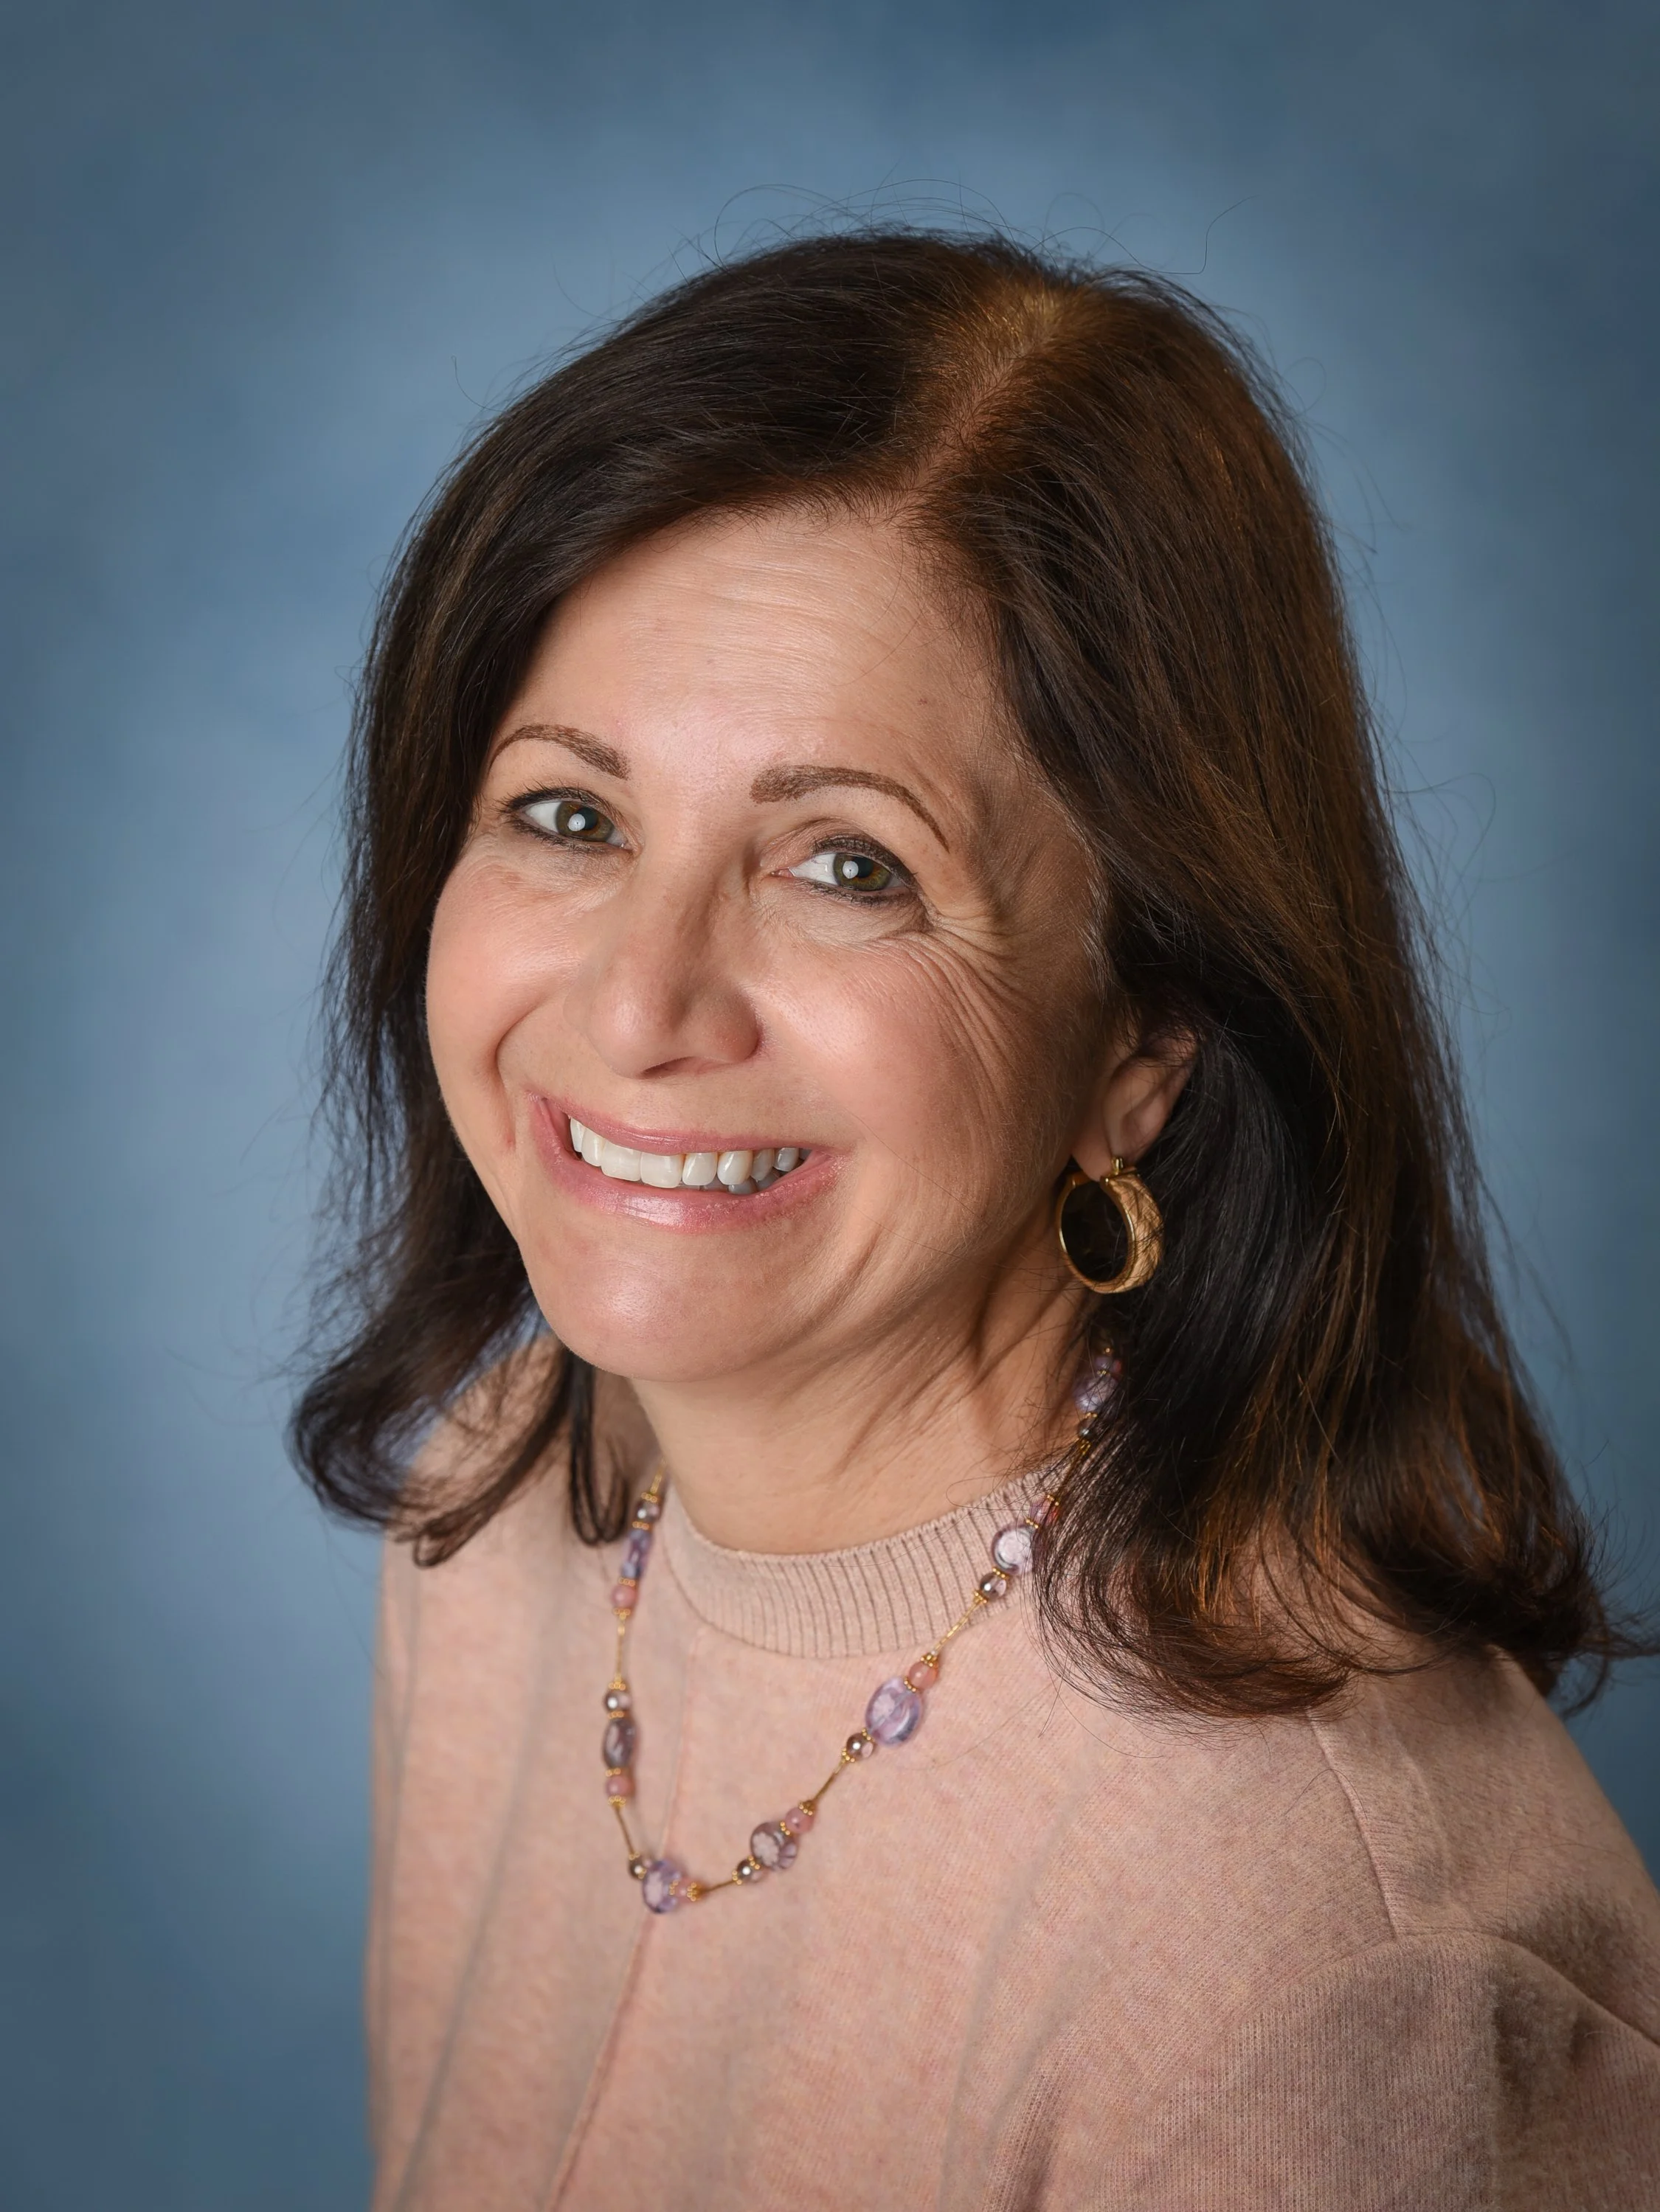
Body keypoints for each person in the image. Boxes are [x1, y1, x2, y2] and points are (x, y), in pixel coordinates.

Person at [292, 229, 1660, 2209]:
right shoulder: (495, 1508)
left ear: (1148, 1040)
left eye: (846, 862)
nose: (641, 1008)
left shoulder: (1309, 1968)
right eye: (571, 817)